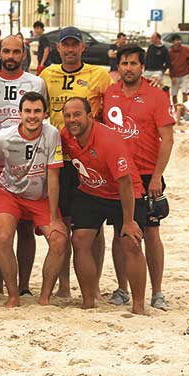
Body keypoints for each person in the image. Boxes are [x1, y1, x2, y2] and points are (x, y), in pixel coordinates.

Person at [40, 26, 113, 299]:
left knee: (92, 228)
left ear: (83, 47)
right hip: (61, 159)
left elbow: (116, 102)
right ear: (58, 49)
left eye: (75, 45)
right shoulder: (47, 75)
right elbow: (33, 102)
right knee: (63, 223)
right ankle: (64, 286)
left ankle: (91, 286)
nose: (70, 49)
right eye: (65, 45)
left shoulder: (99, 75)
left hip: (91, 160)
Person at [60, 97, 148, 315]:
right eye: (68, 115)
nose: (72, 120)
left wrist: (128, 221)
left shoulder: (108, 140)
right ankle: (88, 302)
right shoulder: (65, 135)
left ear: (90, 116)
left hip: (124, 194)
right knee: (79, 240)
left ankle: (138, 306)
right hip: (91, 193)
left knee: (130, 243)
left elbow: (125, 182)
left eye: (77, 114)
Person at [103, 45, 174, 311]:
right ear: (118, 66)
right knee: (120, 233)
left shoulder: (156, 95)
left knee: (151, 234)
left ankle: (157, 292)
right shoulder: (109, 93)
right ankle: (122, 288)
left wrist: (157, 176)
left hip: (147, 176)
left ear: (142, 67)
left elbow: (167, 140)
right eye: (124, 63)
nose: (129, 68)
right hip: (117, 176)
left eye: (134, 63)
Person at [0, 92, 66, 307]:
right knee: (4, 237)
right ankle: (12, 296)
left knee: (59, 239)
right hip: (10, 194)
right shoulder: (5, 136)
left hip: (41, 197)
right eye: (27, 111)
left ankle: (45, 297)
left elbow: (54, 177)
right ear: (20, 113)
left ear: (45, 114)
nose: (32, 116)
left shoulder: (52, 133)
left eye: (37, 111)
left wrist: (55, 217)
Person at [0, 36, 47, 297]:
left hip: (27, 166)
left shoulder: (36, 83)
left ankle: (24, 284)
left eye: (15, 51)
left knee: (26, 229)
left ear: (23, 54)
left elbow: (42, 120)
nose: (10, 55)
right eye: (6, 51)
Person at [168, 34, 189, 105]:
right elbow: (170, 65)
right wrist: (172, 76)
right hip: (175, 75)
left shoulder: (186, 49)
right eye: (176, 40)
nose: (178, 42)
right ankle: (176, 110)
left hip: (185, 74)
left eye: (179, 40)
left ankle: (183, 110)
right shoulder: (170, 52)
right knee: (174, 94)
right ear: (173, 42)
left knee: (184, 92)